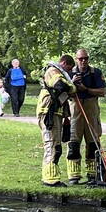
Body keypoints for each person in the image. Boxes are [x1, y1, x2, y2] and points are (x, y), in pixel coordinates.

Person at [66, 49, 106, 184]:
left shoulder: (96, 72)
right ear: (76, 59)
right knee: (73, 142)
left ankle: (92, 174)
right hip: (75, 108)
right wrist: (72, 83)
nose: (83, 61)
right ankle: (74, 175)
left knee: (93, 142)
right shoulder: (69, 73)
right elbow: (63, 92)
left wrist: (86, 89)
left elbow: (102, 91)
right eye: (80, 58)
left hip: (91, 108)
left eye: (86, 58)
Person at [37, 54, 76, 186]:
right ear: (64, 63)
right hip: (48, 113)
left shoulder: (58, 72)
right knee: (52, 145)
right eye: (69, 68)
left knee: (56, 145)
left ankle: (52, 176)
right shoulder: (53, 71)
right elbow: (60, 85)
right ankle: (50, 180)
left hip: (55, 113)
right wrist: (72, 87)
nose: (69, 71)